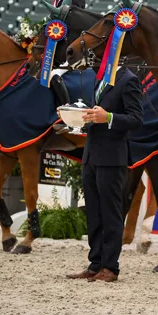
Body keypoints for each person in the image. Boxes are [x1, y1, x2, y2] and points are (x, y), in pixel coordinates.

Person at [66, 66, 143, 282]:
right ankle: (95, 263)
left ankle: (111, 266)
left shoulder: (129, 80)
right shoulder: (101, 77)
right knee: (94, 212)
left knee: (110, 212)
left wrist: (108, 117)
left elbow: (136, 119)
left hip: (112, 157)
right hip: (91, 154)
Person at [48, 0, 86, 108]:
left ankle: (66, 109)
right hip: (59, 43)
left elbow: (75, 23)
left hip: (69, 46)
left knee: (54, 75)